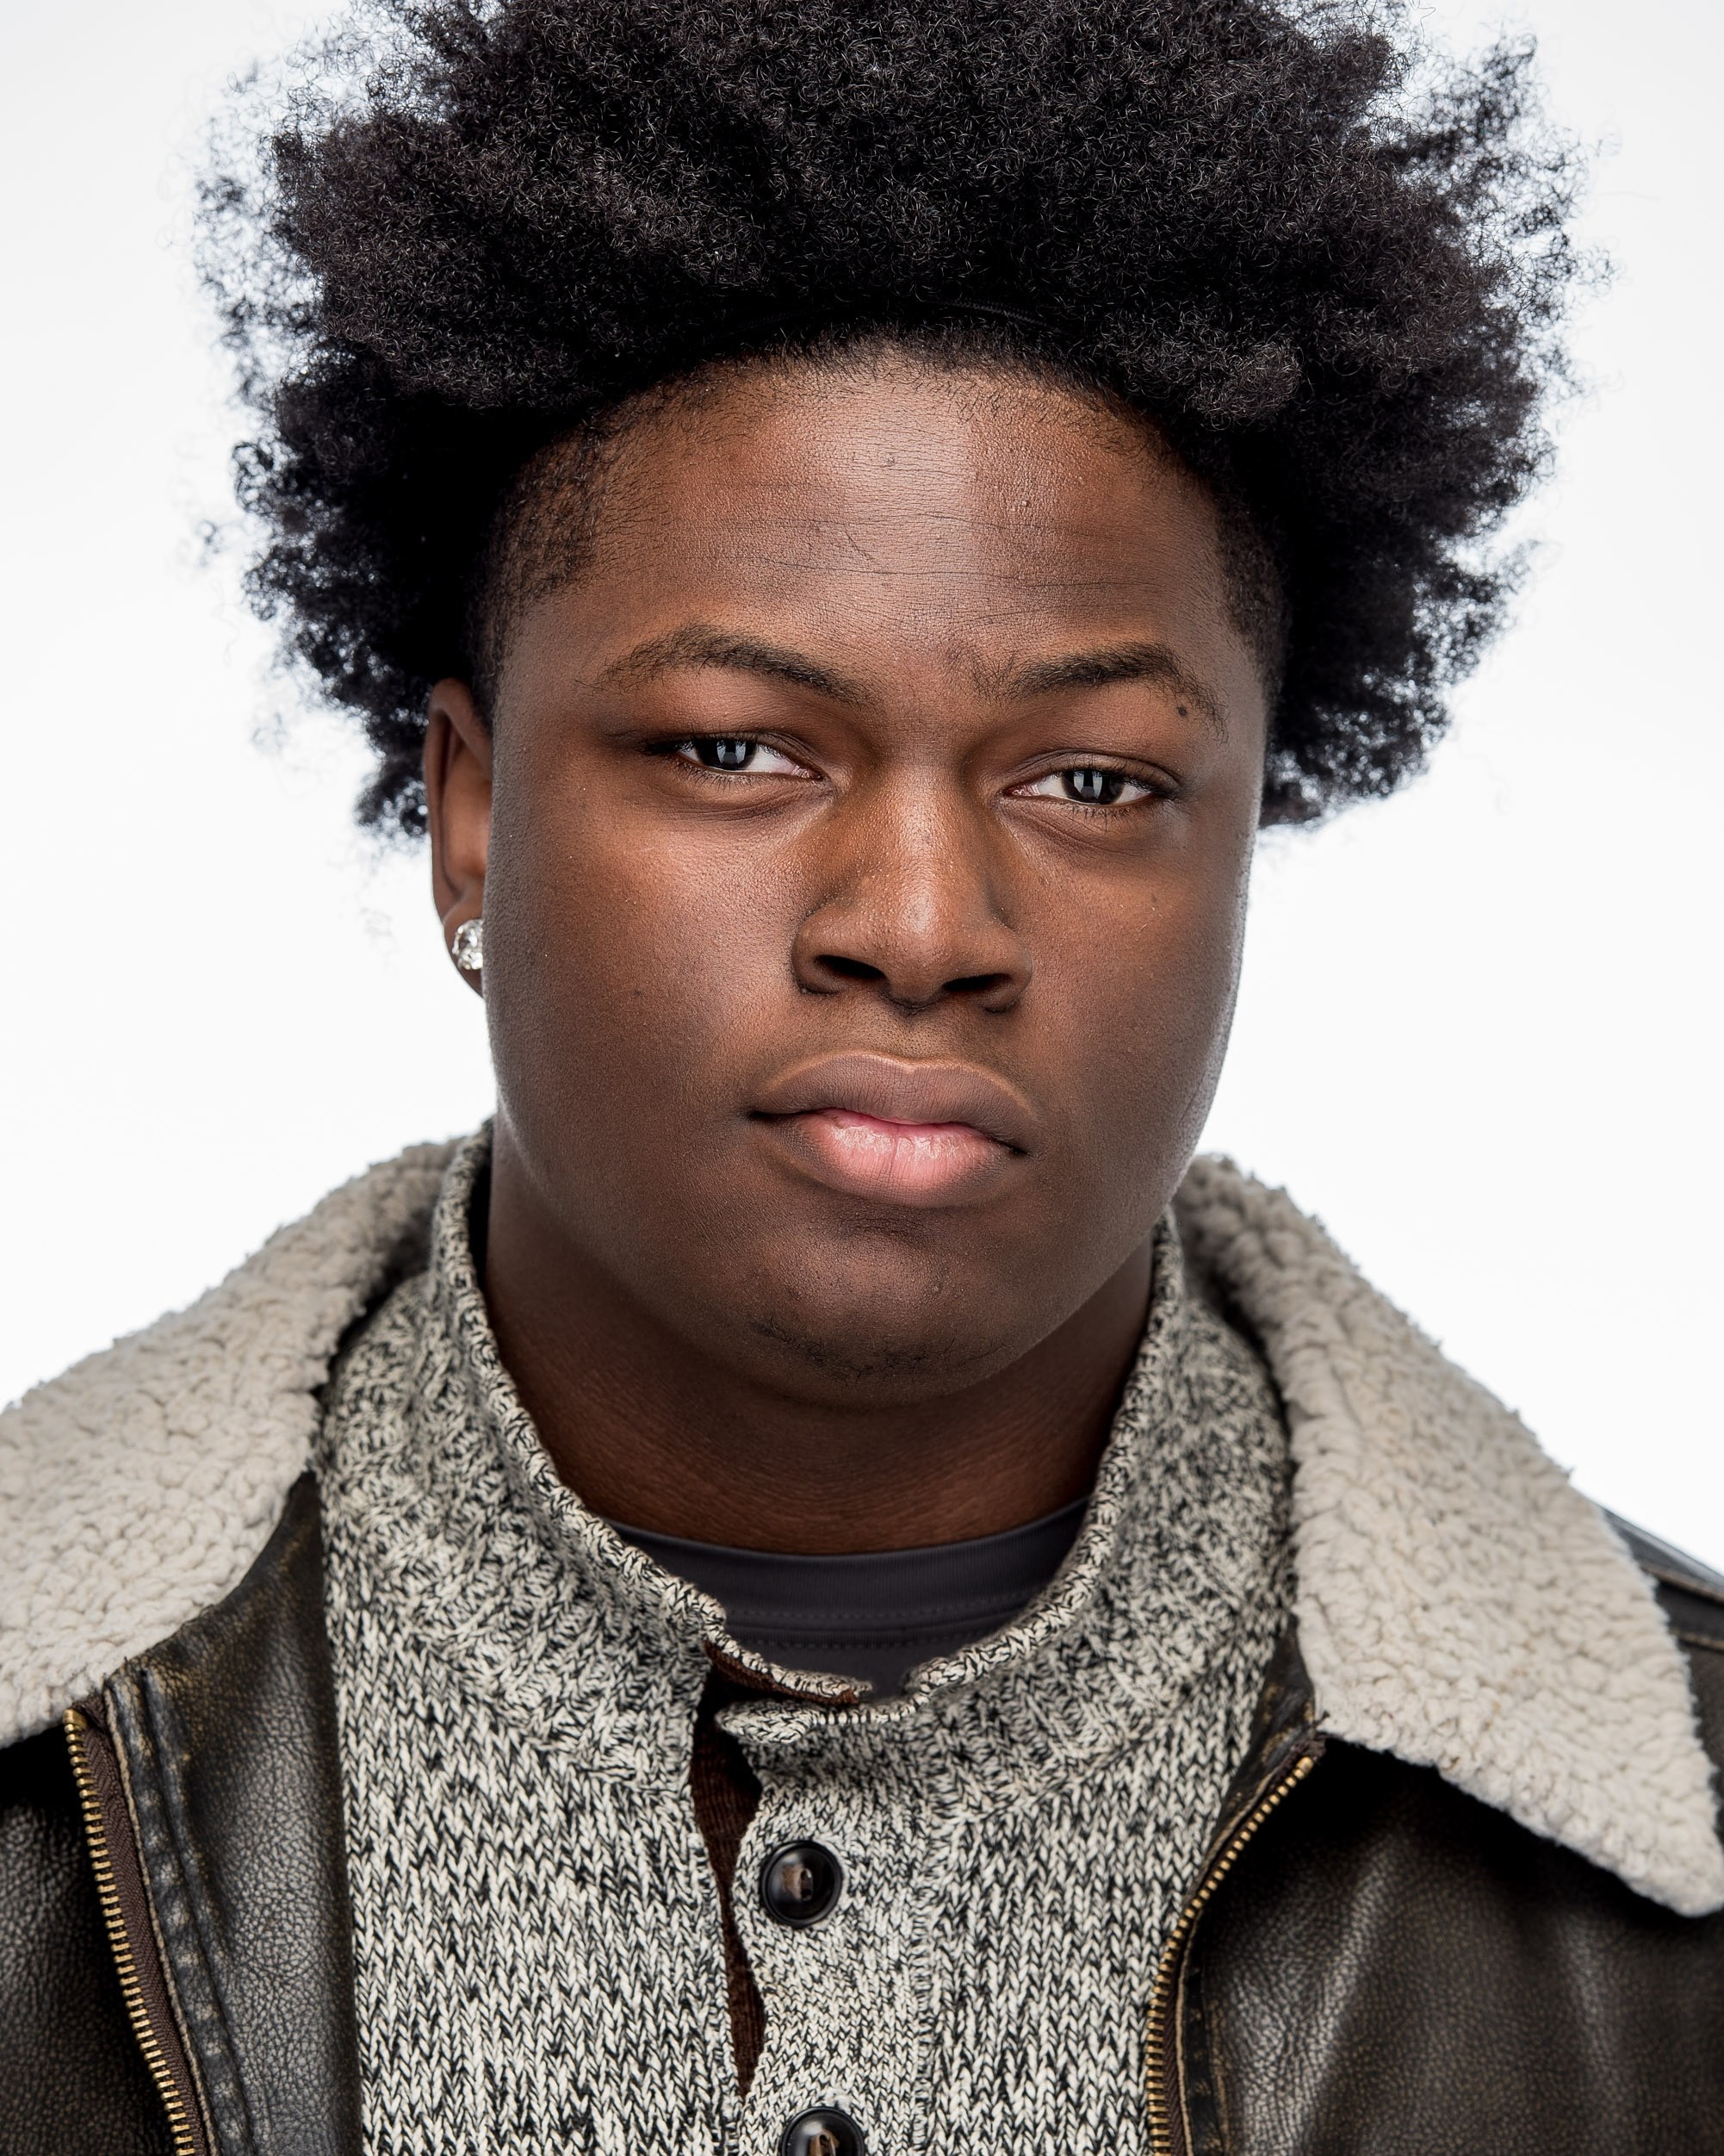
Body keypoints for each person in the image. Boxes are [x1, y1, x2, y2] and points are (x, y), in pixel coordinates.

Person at [3, 0, 1721, 2149]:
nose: (916, 924)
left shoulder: (1677, 1850)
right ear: (468, 812)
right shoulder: (40, 1745)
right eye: (736, 746)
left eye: (1091, 778)